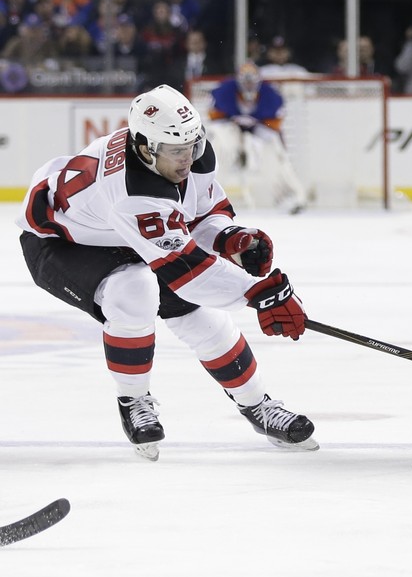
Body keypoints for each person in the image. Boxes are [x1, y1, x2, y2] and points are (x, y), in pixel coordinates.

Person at [16, 84, 317, 461]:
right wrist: (261, 294)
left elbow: (202, 212)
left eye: (192, 146)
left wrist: (231, 238)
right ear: (144, 147)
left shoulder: (186, 153)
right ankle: (133, 399)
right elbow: (186, 271)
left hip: (120, 232)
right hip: (61, 244)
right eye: (176, 151)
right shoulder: (131, 191)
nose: (187, 159)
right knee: (134, 290)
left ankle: (258, 406)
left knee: (206, 321)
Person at [208, 61, 308, 213]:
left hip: (261, 128)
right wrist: (236, 141)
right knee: (220, 148)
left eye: (251, 81)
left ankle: (288, 195)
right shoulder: (225, 91)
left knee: (275, 154)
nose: (248, 86)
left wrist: (254, 142)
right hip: (231, 126)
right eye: (245, 81)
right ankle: (209, 195)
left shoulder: (271, 96)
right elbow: (215, 121)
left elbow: (274, 126)